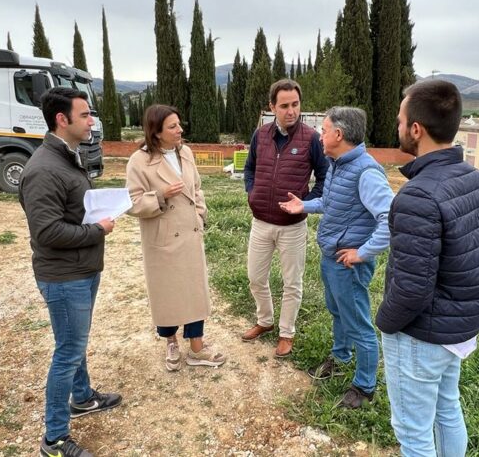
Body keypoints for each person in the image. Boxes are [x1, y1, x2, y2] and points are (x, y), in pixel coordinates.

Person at [376, 80, 479, 456]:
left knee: (413, 434)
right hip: (458, 327)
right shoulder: (476, 179)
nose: (397, 127)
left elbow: (412, 288)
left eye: (400, 120)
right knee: (447, 409)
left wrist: (385, 322)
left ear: (416, 129)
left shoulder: (418, 195)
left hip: (421, 335)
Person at [19, 87, 122, 457]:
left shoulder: (66, 157)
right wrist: (98, 230)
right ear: (62, 120)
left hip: (80, 270)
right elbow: (46, 232)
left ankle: (81, 398)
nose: (91, 121)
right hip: (64, 277)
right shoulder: (44, 169)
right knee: (68, 351)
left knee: (75, 343)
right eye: (84, 115)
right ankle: (55, 439)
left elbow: (70, 211)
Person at [279, 106, 394, 409]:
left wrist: (363, 253)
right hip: (332, 257)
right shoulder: (337, 164)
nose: (320, 135)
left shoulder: (366, 172)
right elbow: (332, 202)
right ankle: (340, 356)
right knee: (338, 311)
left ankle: (365, 385)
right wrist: (303, 205)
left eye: (324, 130)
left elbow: (389, 218)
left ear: (339, 135)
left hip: (348, 263)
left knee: (358, 323)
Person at [126, 104, 226, 371]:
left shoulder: (186, 152)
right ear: (156, 132)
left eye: (179, 124)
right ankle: (170, 341)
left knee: (194, 291)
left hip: (190, 234)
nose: (180, 130)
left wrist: (200, 216)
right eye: (172, 126)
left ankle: (197, 347)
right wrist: (161, 196)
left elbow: (197, 188)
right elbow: (131, 202)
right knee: (167, 293)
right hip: (163, 237)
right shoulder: (139, 160)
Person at [242, 79, 328, 357]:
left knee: (292, 282)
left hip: (293, 227)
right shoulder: (261, 135)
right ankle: (264, 321)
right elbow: (250, 169)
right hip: (261, 222)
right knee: (255, 277)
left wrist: (306, 203)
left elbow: (325, 178)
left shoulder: (311, 138)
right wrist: (251, 193)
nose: (291, 111)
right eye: (284, 106)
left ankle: (286, 333)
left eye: (295, 104)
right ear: (272, 107)